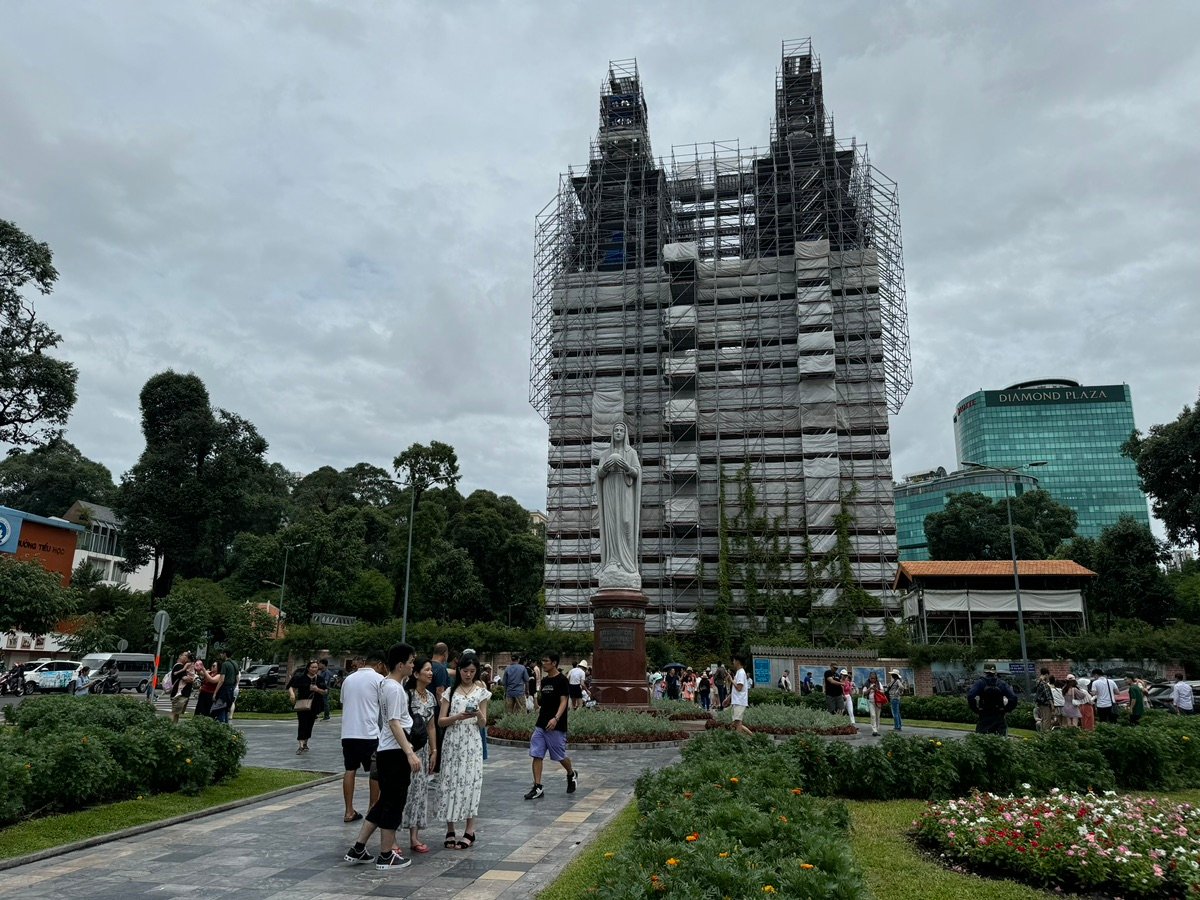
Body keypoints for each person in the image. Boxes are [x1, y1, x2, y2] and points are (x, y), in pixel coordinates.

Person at [343, 643, 421, 872]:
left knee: (384, 800)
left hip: (387, 750)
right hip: (395, 751)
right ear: (400, 664)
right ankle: (386, 854)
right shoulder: (394, 689)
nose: (413, 665)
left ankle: (358, 847)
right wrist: (409, 752)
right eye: (411, 662)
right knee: (394, 803)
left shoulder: (385, 684)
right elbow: (394, 722)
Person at [436, 652, 490, 849]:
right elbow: (441, 721)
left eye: (472, 671)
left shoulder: (481, 691)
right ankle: (450, 828)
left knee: (471, 783)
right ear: (459, 670)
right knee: (450, 782)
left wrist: (477, 714)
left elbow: (484, 723)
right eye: (465, 671)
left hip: (472, 744)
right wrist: (458, 716)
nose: (468, 675)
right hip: (453, 742)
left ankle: (470, 829)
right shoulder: (450, 692)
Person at [524, 651, 578, 799]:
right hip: (541, 724)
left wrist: (556, 718)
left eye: (546, 661)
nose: (543, 663)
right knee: (537, 754)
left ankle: (571, 773)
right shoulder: (545, 681)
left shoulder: (562, 680)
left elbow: (564, 702)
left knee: (559, 756)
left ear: (554, 663)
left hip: (556, 725)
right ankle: (538, 787)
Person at [340, 651, 385, 823]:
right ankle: (372, 808)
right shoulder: (378, 680)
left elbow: (344, 702)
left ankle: (348, 810)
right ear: (379, 664)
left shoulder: (348, 679)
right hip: (369, 733)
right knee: (374, 773)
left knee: (350, 769)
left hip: (349, 733)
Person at [595, 421, 641, 587]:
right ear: (613, 433)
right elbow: (599, 473)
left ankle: (628, 564)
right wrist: (604, 469)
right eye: (616, 430)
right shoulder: (605, 453)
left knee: (626, 523)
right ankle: (612, 561)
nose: (619, 432)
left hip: (625, 491)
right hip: (610, 492)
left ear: (625, 433)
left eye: (622, 430)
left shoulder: (631, 453)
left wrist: (627, 467)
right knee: (612, 526)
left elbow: (637, 472)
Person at [401, 656, 438, 854]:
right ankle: (392, 838)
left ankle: (414, 836)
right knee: (403, 792)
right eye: (427, 670)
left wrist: (434, 750)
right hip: (407, 749)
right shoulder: (407, 695)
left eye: (431, 670)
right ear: (416, 674)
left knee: (420, 792)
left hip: (424, 751)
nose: (430, 673)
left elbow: (431, 726)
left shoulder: (430, 697)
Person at [288, 660, 327, 754]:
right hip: (302, 704)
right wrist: (292, 695)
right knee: (302, 723)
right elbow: (291, 687)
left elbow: (325, 691)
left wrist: (317, 689)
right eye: (312, 667)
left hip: (315, 705)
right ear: (308, 668)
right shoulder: (301, 678)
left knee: (310, 724)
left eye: (316, 667)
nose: (314, 669)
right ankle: (300, 745)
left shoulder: (320, 679)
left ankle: (305, 742)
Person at [967, 664, 1018, 735]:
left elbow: (970, 696)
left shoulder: (980, 683)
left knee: (982, 740)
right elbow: (1013, 698)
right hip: (999, 714)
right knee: (1001, 740)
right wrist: (1006, 709)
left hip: (984, 715)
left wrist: (976, 710)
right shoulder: (1001, 683)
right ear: (995, 672)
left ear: (984, 672)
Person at [430, 642, 452, 775]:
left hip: (424, 709)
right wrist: (443, 710)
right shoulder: (441, 668)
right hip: (436, 710)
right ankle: (435, 769)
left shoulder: (427, 665)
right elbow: (440, 691)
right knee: (437, 740)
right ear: (445, 653)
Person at [212, 650, 239, 724]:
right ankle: (226, 726)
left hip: (224, 689)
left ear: (225, 654)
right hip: (231, 689)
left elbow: (221, 680)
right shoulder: (235, 664)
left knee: (219, 707)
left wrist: (215, 692)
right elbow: (237, 679)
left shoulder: (225, 664)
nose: (221, 655)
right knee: (226, 708)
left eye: (222, 654)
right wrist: (233, 687)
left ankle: (221, 725)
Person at [168, 651, 195, 723]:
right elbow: (186, 679)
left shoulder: (183, 666)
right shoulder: (179, 666)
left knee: (176, 713)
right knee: (174, 712)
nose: (187, 657)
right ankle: (169, 728)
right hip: (179, 694)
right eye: (185, 655)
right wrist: (192, 679)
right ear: (180, 656)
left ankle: (174, 728)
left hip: (181, 693)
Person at [730, 654, 753, 736]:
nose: (733, 662)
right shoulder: (739, 672)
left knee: (738, 722)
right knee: (736, 723)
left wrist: (731, 680)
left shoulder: (741, 672)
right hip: (737, 701)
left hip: (739, 701)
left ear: (738, 661)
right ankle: (754, 736)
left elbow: (739, 687)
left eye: (734, 660)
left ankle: (738, 740)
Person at [862, 671, 884, 736]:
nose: (872, 679)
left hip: (878, 702)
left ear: (876, 678)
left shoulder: (879, 683)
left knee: (877, 716)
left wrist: (876, 689)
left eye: (874, 678)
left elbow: (883, 692)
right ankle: (874, 730)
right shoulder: (867, 683)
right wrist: (870, 688)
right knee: (873, 715)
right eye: (871, 678)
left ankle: (877, 729)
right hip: (871, 702)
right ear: (869, 678)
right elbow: (864, 693)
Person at [1035, 668, 1055, 732]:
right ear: (1046, 674)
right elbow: (1048, 695)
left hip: (1040, 703)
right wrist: (1052, 705)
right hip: (1045, 704)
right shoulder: (1044, 684)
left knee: (1043, 719)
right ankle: (1045, 733)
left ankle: (1042, 733)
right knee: (1047, 719)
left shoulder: (1038, 682)